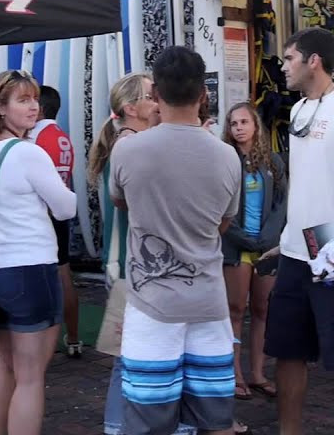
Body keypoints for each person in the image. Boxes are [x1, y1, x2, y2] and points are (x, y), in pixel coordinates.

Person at [112, 47, 241, 435]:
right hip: (208, 300)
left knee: (147, 422)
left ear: (156, 94)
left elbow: (122, 202)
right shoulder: (227, 156)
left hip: (151, 304)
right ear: (203, 93)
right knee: (216, 421)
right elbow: (222, 224)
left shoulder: (128, 149)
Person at [265, 28, 334, 435]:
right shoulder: (297, 110)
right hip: (295, 253)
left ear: (313, 61)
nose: (283, 66)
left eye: (289, 58)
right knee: (288, 353)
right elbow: (308, 183)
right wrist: (286, 239)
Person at [0, 71, 77, 435]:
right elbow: (66, 208)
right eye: (22, 100)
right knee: (31, 376)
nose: (33, 106)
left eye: (34, 98)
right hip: (32, 268)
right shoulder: (29, 153)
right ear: (1, 108)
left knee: (4, 365)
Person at [88, 72, 183, 435]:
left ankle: (120, 423)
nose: (157, 101)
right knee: (129, 353)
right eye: (149, 95)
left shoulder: (128, 143)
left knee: (130, 352)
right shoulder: (131, 147)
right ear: (131, 108)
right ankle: (118, 424)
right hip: (131, 265)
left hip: (130, 262)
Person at [221, 102, 286, 401]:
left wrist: (269, 236)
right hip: (236, 248)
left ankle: (258, 373)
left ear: (256, 125)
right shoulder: (224, 161)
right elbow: (219, 208)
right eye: (234, 123)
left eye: (244, 122)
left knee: (263, 310)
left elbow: (281, 203)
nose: (239, 128)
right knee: (235, 310)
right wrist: (242, 238)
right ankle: (235, 373)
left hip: (266, 247)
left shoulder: (272, 161)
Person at [28, 85, 84, 358]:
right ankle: (73, 338)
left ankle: (38, 344)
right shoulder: (61, 136)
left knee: (36, 281)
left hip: (39, 215)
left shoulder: (33, 138)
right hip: (59, 213)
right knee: (63, 274)